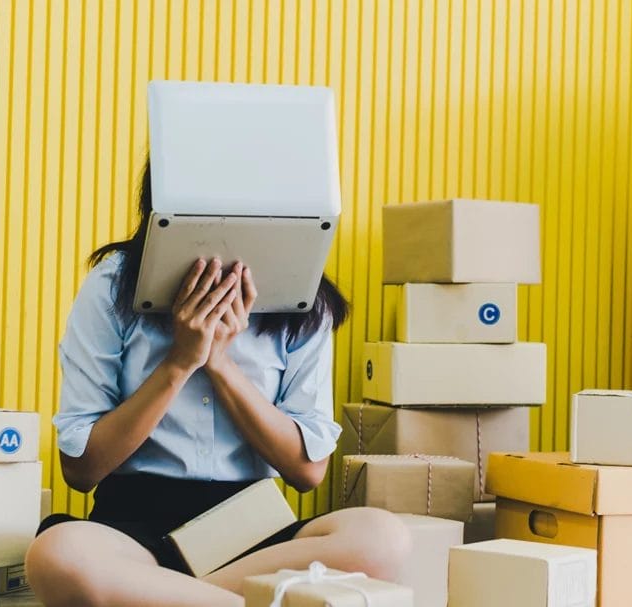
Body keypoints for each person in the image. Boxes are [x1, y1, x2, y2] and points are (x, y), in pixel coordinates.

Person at [25, 162, 410, 607]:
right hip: (133, 532)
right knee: (59, 555)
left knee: (383, 539)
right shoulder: (112, 283)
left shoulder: (303, 297)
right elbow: (82, 470)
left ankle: (165, 599)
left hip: (251, 531)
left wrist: (221, 363)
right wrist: (180, 362)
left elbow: (307, 472)